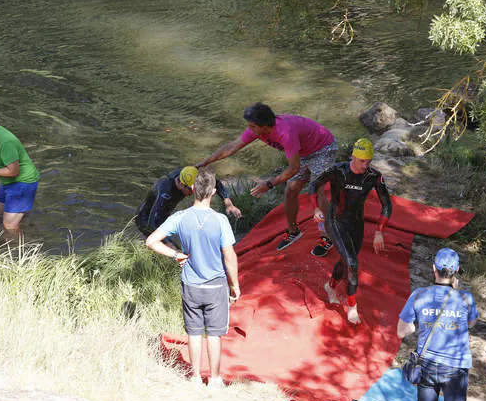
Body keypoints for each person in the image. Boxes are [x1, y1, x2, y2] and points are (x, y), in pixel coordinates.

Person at [196, 102, 337, 252]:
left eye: (252, 126)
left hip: (323, 149)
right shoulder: (257, 130)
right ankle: (293, 231)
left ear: (264, 125)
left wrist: (269, 184)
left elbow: (294, 168)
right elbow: (232, 146)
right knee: (290, 191)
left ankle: (329, 235)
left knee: (317, 191)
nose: (249, 129)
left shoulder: (285, 133)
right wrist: (205, 162)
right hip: (301, 152)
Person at [145, 168, 240, 389]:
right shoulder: (220, 221)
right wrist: (234, 285)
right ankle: (215, 380)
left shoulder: (180, 217)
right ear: (213, 191)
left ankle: (196, 377)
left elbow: (151, 241)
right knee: (214, 335)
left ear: (193, 189)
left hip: (191, 284)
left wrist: (176, 254)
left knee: (194, 333)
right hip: (216, 285)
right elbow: (229, 255)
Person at [397, 248, 478, 401]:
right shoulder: (466, 298)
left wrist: (418, 325)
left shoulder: (419, 295)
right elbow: (472, 322)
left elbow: (401, 331)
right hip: (456, 368)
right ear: (457, 270)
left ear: (433, 268)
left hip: (427, 366)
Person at [309, 138, 391, 324]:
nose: (366, 165)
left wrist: (379, 231)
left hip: (356, 223)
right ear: (353, 157)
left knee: (346, 260)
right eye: (362, 161)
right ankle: (352, 307)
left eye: (369, 161)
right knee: (352, 262)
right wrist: (316, 208)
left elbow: (387, 204)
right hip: (335, 220)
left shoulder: (374, 176)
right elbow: (314, 185)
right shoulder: (338, 170)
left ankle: (330, 286)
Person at [136, 166, 242, 245]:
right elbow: (152, 223)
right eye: (191, 190)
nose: (194, 192)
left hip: (163, 213)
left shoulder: (187, 174)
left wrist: (229, 204)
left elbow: (215, 183)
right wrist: (170, 245)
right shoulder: (165, 191)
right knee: (161, 246)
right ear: (182, 184)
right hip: (146, 220)